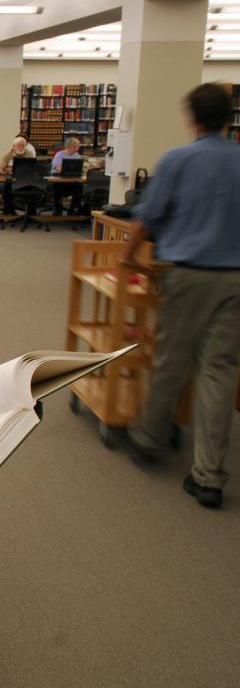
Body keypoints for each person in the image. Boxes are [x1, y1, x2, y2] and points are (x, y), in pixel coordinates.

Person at [116, 83, 240, 508]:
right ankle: (209, 476)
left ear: (193, 118)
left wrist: (128, 259)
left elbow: (146, 219)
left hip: (186, 274)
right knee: (219, 370)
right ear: (228, 117)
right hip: (235, 279)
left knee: (172, 358)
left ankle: (150, 436)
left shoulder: (178, 160)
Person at [0, 135, 37, 215]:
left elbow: (29, 169)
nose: (21, 147)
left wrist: (8, 169)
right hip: (10, 181)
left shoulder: (29, 153)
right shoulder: (8, 154)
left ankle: (31, 213)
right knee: (4, 187)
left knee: (33, 188)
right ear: (14, 146)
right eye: (19, 145)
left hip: (24, 181)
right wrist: (2, 169)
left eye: (23, 145)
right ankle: (8, 209)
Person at [48, 136, 84, 216]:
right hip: (60, 182)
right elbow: (57, 167)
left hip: (72, 180)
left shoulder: (77, 155)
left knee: (79, 188)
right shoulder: (59, 155)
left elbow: (79, 167)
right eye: (77, 146)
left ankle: (72, 210)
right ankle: (57, 209)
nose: (78, 148)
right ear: (71, 146)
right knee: (56, 188)